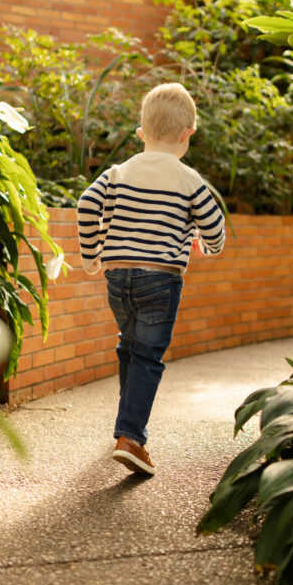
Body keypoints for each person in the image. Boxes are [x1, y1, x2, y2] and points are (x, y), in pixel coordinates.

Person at [77, 82, 225, 477]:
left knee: (129, 347)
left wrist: (92, 255)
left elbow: (87, 203)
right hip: (160, 280)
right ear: (187, 134)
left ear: (141, 134)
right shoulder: (187, 178)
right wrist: (207, 246)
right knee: (147, 356)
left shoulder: (119, 172)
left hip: (118, 279)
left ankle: (127, 427)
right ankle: (131, 438)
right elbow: (214, 224)